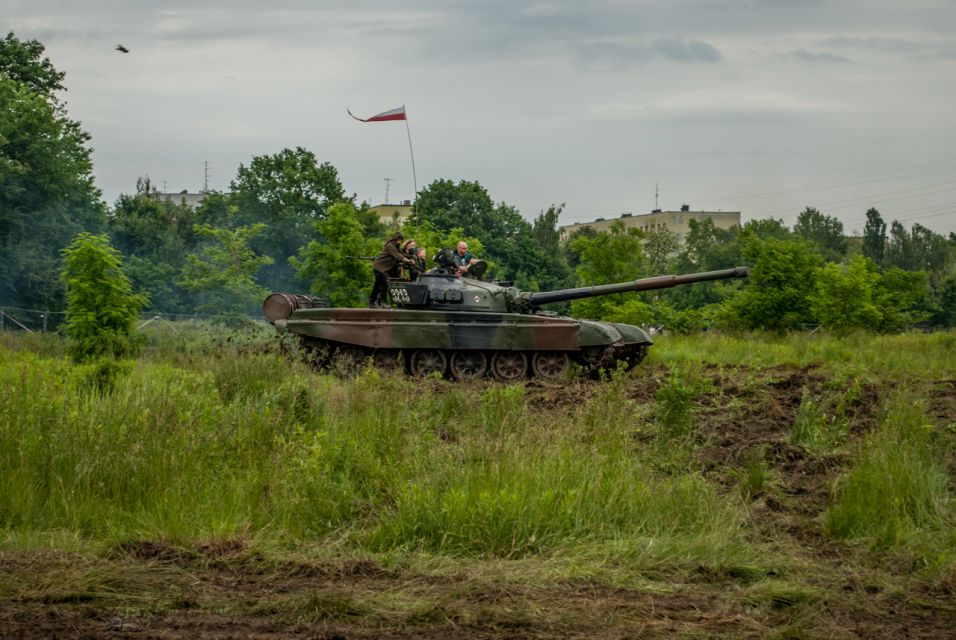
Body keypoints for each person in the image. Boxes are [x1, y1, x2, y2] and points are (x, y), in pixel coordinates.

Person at [370, 232, 414, 307]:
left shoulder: (395, 246)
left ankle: (372, 302)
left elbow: (401, 254)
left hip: (382, 269)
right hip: (380, 267)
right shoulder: (390, 245)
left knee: (377, 286)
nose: (400, 242)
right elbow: (397, 256)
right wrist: (409, 261)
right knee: (384, 285)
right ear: (396, 239)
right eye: (400, 240)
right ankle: (382, 303)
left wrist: (411, 257)